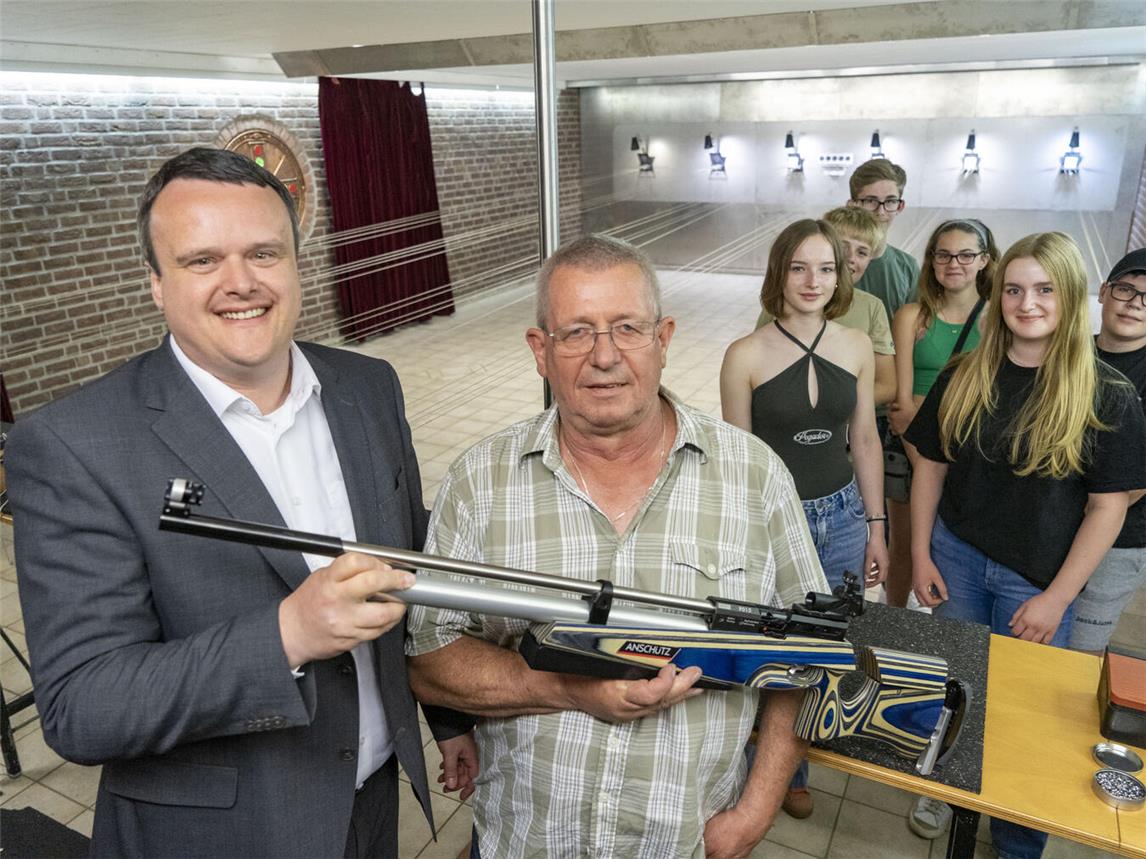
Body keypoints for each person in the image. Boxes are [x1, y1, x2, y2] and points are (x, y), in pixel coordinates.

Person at [6, 147, 475, 858]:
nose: (241, 283)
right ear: (156, 282)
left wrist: (447, 720)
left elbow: (409, 571)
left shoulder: (368, 386)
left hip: (375, 805)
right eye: (202, 260)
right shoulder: (74, 443)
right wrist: (287, 634)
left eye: (263, 253)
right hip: (219, 835)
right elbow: (83, 706)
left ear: (296, 262)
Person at [406, 234, 828, 859]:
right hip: (527, 841)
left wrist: (753, 814)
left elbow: (811, 658)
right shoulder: (480, 480)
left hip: (684, 843)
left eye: (627, 328)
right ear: (540, 351)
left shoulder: (754, 475)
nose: (604, 356)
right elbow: (429, 659)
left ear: (664, 339)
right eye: (576, 332)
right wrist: (568, 688)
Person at [904, 232, 1146, 855]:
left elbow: (1108, 507)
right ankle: (949, 790)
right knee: (958, 686)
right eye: (1013, 289)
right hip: (957, 557)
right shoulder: (966, 373)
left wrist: (1057, 599)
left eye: (1044, 289)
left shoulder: (1106, 392)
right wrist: (923, 552)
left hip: (1034, 581)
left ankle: (1016, 841)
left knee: (1030, 718)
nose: (1027, 303)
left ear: (1071, 296)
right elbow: (931, 465)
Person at [722, 218, 888, 820]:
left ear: (840, 276)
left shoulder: (856, 345)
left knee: (826, 643)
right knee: (769, 644)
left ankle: (797, 760)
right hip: (774, 521)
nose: (812, 281)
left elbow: (864, 440)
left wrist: (876, 527)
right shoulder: (744, 355)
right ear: (779, 274)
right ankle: (759, 763)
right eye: (799, 267)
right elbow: (739, 464)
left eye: (825, 268)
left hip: (842, 514)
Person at [886, 219, 999, 608]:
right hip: (911, 446)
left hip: (970, 451)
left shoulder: (997, 320)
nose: (954, 264)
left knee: (958, 551)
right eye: (944, 255)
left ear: (984, 260)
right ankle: (894, 619)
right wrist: (929, 469)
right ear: (931, 260)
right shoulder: (912, 317)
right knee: (905, 544)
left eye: (966, 255)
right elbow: (902, 408)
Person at [1069, 248, 1146, 653]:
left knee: (1076, 654)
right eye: (1126, 289)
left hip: (1118, 540)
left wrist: (1074, 514)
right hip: (1045, 529)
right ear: (1103, 292)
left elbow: (1135, 484)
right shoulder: (1068, 355)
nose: (1135, 303)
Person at [757, 206, 896, 406]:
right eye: (843, 247)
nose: (851, 258)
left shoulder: (871, 307)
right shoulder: (786, 299)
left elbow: (887, 385)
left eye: (862, 252)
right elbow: (759, 362)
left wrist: (831, 409)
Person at [846, 158, 921, 326]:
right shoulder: (829, 262)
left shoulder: (908, 268)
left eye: (890, 201)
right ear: (852, 205)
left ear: (900, 206)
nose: (880, 212)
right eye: (870, 201)